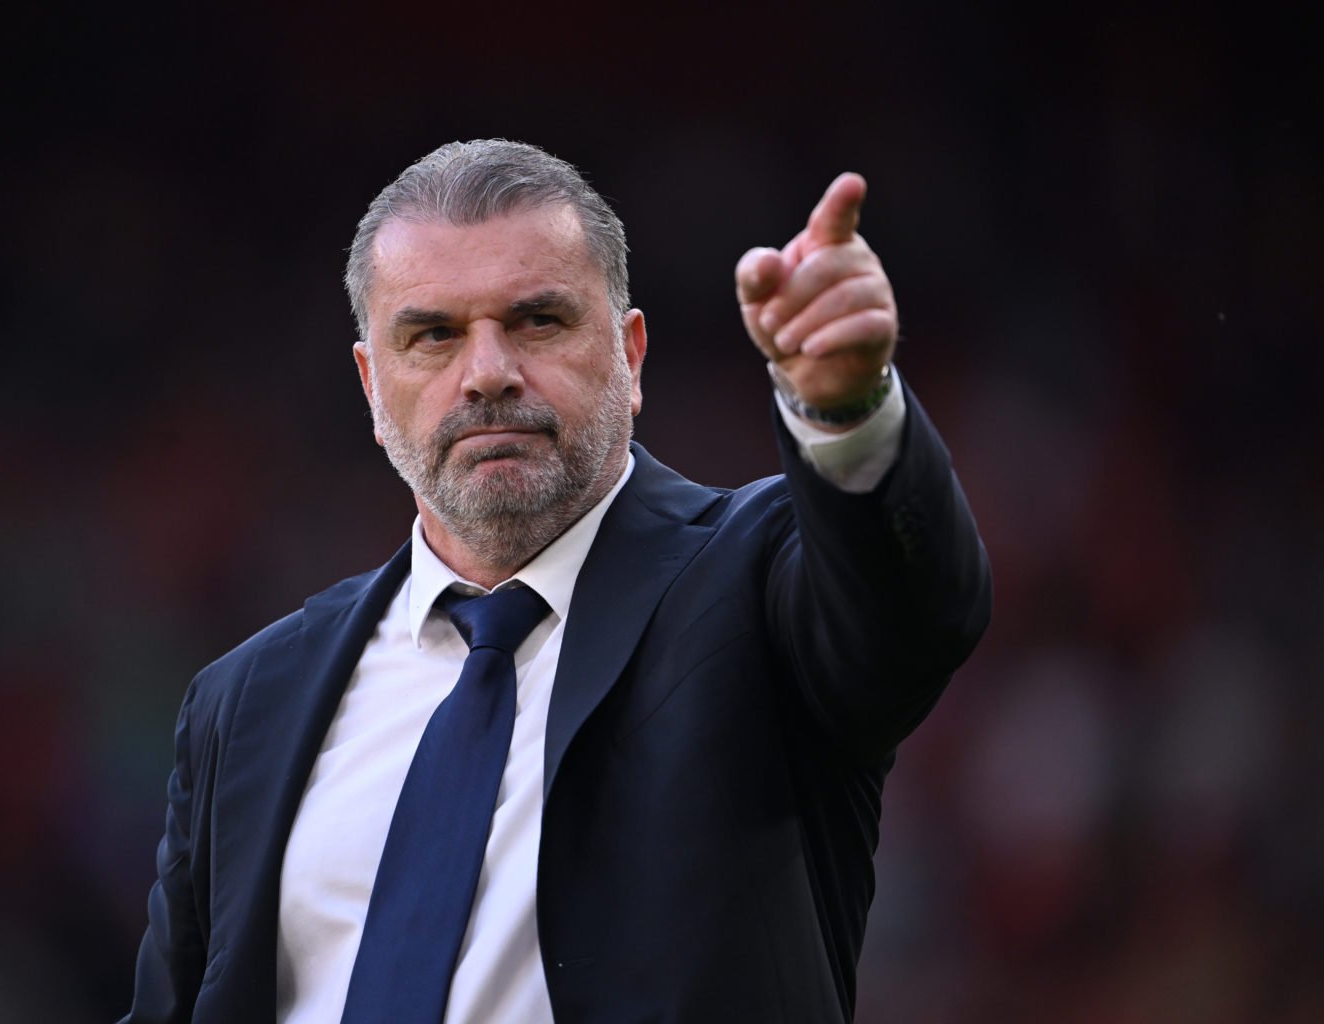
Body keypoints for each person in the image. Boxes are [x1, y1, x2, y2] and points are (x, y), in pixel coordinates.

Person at [122, 139, 990, 1024]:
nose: (488, 372)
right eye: (434, 335)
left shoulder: (758, 579)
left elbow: (914, 612)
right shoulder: (244, 701)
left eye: (538, 321)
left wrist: (848, 410)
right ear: (371, 386)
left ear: (631, 355)